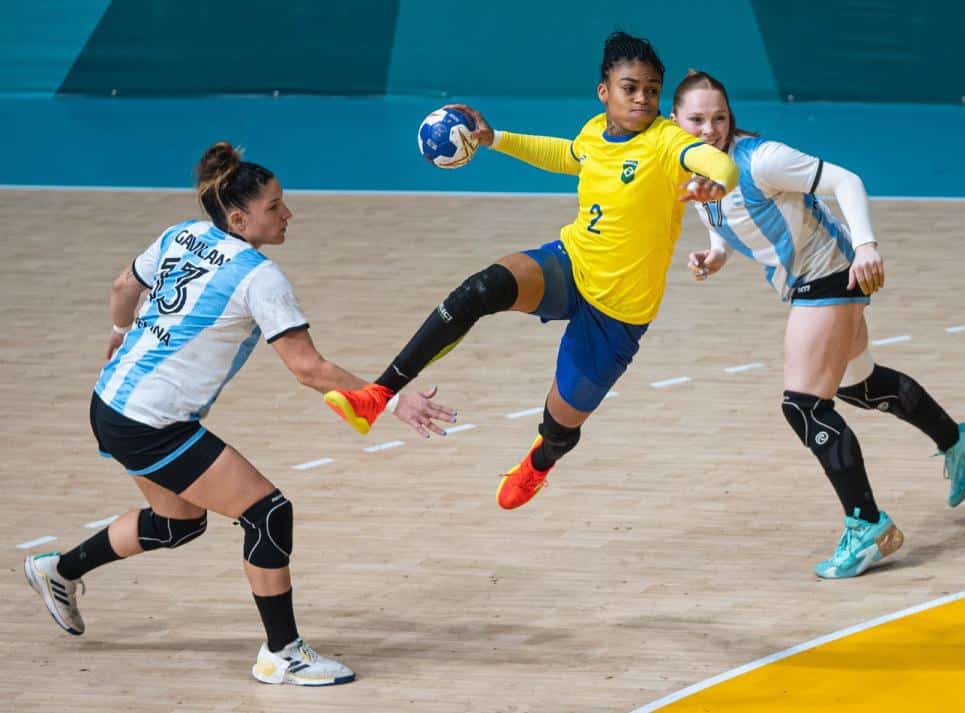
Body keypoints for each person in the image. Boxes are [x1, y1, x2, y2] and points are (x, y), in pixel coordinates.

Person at [22, 142, 455, 685]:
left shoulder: (182, 234)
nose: (287, 214)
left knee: (177, 524)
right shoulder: (258, 277)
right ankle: (284, 653)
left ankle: (58, 571)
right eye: (274, 206)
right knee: (268, 512)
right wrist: (393, 398)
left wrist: (118, 332)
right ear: (238, 217)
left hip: (110, 403)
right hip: (151, 423)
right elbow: (308, 369)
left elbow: (123, 286)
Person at [323, 32, 738, 510]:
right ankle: (377, 394)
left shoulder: (667, 143)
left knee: (560, 427)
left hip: (619, 311)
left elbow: (714, 163)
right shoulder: (594, 132)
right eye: (630, 87)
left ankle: (538, 464)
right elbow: (568, 155)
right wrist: (493, 138)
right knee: (479, 290)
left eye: (651, 88)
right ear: (604, 91)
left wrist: (715, 181)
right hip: (572, 261)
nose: (642, 97)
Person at [670, 71, 965, 578]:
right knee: (859, 387)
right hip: (810, 279)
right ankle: (960, 440)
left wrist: (867, 244)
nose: (709, 128)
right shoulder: (692, 170)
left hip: (832, 274)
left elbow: (847, 181)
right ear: (676, 121)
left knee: (803, 406)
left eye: (719, 117)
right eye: (697, 119)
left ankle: (867, 524)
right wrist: (715, 256)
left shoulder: (764, 159)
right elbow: (725, 222)